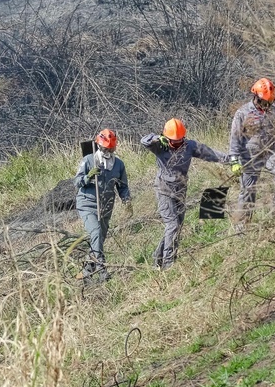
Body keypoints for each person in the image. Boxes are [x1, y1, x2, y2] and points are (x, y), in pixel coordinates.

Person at [141, 118, 225, 270]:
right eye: (174, 142)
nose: (177, 145)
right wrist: (156, 138)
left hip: (180, 191)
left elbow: (210, 153)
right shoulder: (159, 146)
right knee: (172, 225)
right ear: (166, 138)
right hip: (164, 191)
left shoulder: (189, 146)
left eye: (180, 141)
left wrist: (230, 159)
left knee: (177, 226)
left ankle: (158, 259)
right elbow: (144, 141)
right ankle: (168, 265)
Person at [73, 128, 132, 281]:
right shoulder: (88, 160)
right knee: (96, 232)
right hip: (87, 204)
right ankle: (101, 269)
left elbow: (123, 186)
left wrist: (127, 201)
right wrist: (88, 176)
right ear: (99, 146)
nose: (108, 150)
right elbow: (77, 182)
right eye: (106, 148)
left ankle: (87, 271)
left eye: (111, 148)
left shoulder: (118, 164)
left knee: (98, 239)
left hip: (106, 206)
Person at [229, 78, 275, 226]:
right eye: (264, 102)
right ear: (255, 97)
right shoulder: (242, 113)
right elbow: (234, 139)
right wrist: (234, 161)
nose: (267, 105)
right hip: (249, 156)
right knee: (248, 191)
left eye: (270, 102)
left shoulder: (274, 112)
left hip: (270, 152)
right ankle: (242, 226)